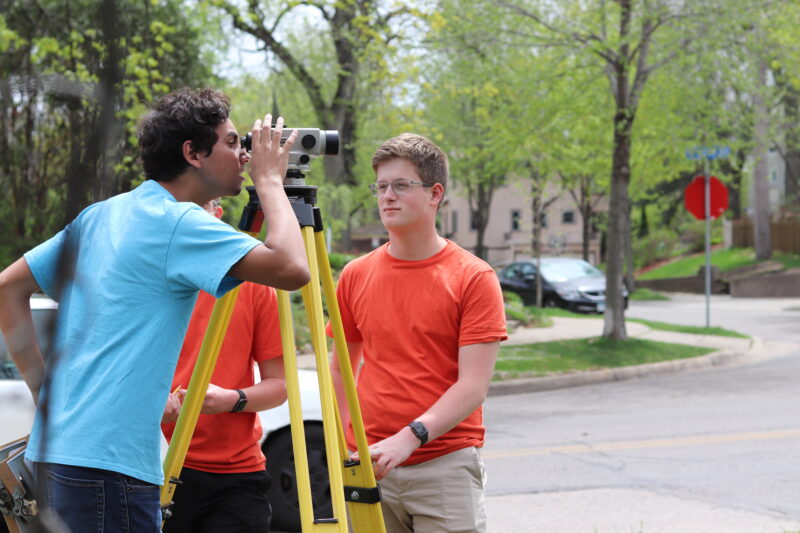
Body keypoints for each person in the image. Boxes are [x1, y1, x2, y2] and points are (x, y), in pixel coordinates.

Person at [0, 88, 309, 532]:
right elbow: (293, 268)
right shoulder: (179, 222)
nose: (244, 155)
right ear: (193, 153)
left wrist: (43, 394)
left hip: (57, 454)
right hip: (108, 469)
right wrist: (271, 183)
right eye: (231, 141)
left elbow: (7, 287)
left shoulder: (102, 214)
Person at [328, 133, 508, 533]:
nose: (387, 196)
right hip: (371, 464)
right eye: (381, 187)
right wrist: (346, 445)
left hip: (444, 465)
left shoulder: (473, 277)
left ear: (435, 193)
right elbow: (340, 369)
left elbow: (473, 386)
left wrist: (409, 437)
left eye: (401, 185)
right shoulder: (355, 275)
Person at [160, 198, 286, 533]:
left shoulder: (253, 282)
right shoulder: (152, 279)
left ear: (217, 213)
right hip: (163, 467)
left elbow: (280, 386)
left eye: (199, 207)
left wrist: (233, 400)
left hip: (238, 476)